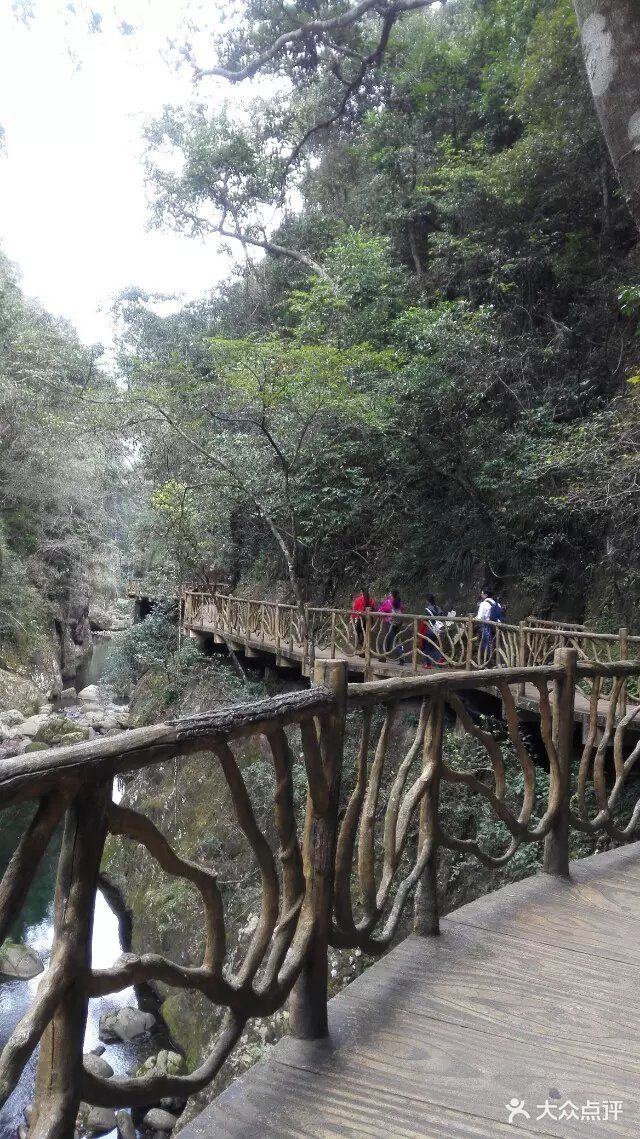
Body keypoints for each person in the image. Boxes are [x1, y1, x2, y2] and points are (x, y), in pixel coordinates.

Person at [476, 585, 504, 663]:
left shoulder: (483, 604)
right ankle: (493, 660)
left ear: (486, 595)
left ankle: (485, 661)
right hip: (497, 628)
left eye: (482, 593)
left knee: (486, 644)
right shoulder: (497, 604)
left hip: (487, 627)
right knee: (494, 644)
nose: (481, 595)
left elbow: (479, 618)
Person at [378, 589, 406, 663]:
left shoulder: (388, 602)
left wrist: (381, 605)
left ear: (391, 594)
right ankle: (383, 657)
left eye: (390, 593)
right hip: (397, 624)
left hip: (389, 624)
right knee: (392, 640)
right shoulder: (399, 602)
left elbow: (380, 611)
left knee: (390, 641)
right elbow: (402, 609)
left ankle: (401, 656)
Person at [420, 594, 445, 667]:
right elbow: (442, 618)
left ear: (427, 601)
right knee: (433, 646)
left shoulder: (427, 609)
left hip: (430, 631)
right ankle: (440, 658)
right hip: (438, 630)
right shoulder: (439, 608)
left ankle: (428, 664)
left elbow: (424, 620)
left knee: (427, 647)